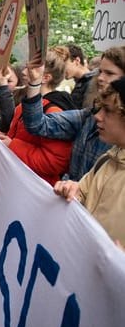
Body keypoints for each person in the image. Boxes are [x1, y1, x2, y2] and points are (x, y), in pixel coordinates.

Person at [22, 46, 125, 181]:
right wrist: (35, 83)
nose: (100, 78)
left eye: (109, 73)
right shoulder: (88, 116)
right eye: (100, 71)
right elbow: (37, 124)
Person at [53, 77, 125, 247]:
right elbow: (83, 192)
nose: (97, 117)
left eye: (107, 110)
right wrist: (72, 189)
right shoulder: (107, 160)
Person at [0, 50, 75, 186]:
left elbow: (55, 162)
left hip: (33, 189)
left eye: (30, 69)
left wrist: (12, 145)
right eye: (26, 67)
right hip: (14, 180)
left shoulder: (54, 112)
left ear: (45, 78)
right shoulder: (23, 105)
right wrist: (5, 137)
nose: (24, 73)